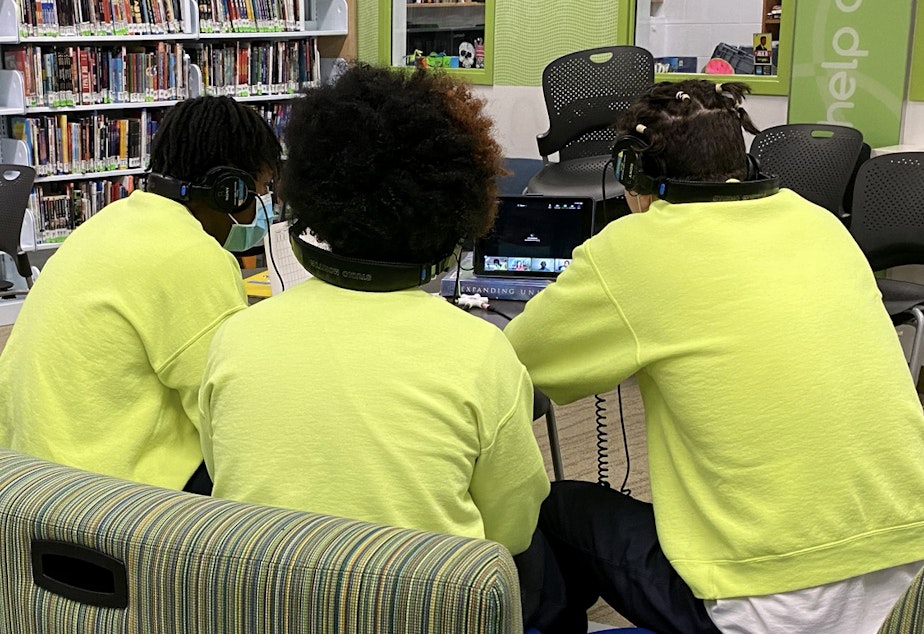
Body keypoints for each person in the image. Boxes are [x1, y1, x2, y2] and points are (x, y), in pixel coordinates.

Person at [504, 79, 924, 633]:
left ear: (634, 176)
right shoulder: (819, 223)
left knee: (551, 508)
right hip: (906, 592)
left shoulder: (634, 249)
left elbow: (507, 368)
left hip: (763, 610)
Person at [197, 64, 558, 628]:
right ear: (457, 209)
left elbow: (226, 475)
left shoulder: (236, 338)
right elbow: (511, 528)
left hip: (262, 610)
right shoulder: (482, 354)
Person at [0, 96, 282, 494]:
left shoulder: (109, 221)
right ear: (229, 191)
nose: (265, 206)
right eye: (262, 189)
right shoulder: (192, 255)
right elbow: (232, 414)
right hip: (110, 503)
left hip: (30, 481)